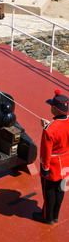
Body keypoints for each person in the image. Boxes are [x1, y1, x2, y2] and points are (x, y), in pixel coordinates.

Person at [33, 89, 69, 224]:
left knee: (49, 191)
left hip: (53, 164)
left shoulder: (50, 129)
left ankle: (46, 217)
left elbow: (45, 151)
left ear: (55, 109)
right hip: (66, 162)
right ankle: (55, 215)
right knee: (60, 190)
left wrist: (45, 168)